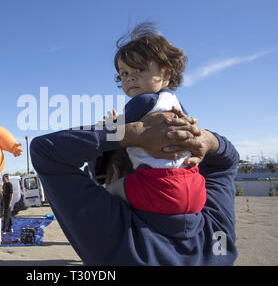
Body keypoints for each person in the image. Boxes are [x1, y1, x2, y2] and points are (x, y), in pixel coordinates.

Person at [30, 108, 240, 265]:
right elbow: (226, 161)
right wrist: (196, 136)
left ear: (115, 173)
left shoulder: (114, 237)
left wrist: (129, 132)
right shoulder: (218, 234)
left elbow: (46, 151)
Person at [102, 22, 205, 215]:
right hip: (194, 183)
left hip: (158, 186)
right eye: (124, 73)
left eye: (139, 69)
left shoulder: (143, 101)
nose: (130, 77)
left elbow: (118, 132)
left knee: (111, 189)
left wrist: (110, 124)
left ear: (166, 72)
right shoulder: (175, 103)